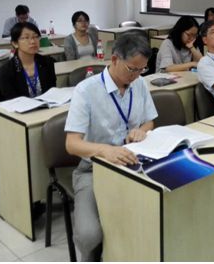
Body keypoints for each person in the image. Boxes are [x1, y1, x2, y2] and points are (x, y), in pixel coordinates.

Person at [65, 33, 157, 261]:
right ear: (114, 59)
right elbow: (72, 144)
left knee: (151, 218)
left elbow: (149, 122)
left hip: (133, 162)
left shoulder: (139, 84)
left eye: (142, 69)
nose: (137, 75)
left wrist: (141, 130)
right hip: (93, 169)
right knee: (89, 235)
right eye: (132, 69)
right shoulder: (86, 90)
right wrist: (104, 150)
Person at [0, 22, 56, 100]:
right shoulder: (7, 69)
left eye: (36, 37)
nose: (33, 41)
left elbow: (52, 91)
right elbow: (11, 99)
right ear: (15, 43)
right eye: (26, 37)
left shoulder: (47, 62)